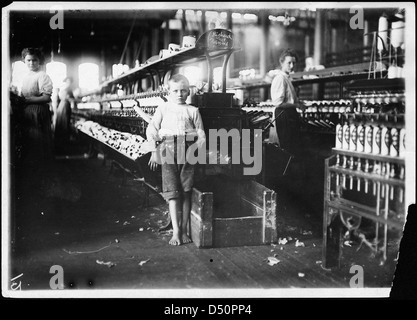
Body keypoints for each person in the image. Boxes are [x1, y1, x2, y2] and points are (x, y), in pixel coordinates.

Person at [146, 74, 206, 246]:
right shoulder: (163, 108)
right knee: (173, 193)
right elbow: (152, 130)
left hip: (188, 151)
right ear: (168, 91)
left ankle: (185, 229)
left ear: (188, 92)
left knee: (186, 191)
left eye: (183, 91)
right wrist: (154, 151)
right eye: (175, 91)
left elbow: (201, 135)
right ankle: (176, 232)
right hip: (168, 150)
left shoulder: (193, 111)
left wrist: (199, 151)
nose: (179, 94)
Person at [19, 47, 54, 167]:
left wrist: (28, 101)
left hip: (38, 111)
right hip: (27, 111)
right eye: (28, 60)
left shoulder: (42, 75)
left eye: (34, 60)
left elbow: (46, 98)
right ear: (24, 60)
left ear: (39, 61)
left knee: (39, 141)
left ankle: (40, 168)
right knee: (30, 140)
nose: (31, 63)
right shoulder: (25, 76)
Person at [269, 48, 305, 153]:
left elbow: (287, 99)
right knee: (286, 149)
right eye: (289, 63)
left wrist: (298, 103)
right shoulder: (280, 78)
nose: (292, 66)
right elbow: (278, 103)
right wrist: (296, 105)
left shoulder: (286, 78)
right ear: (282, 62)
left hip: (288, 115)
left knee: (291, 148)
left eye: (294, 63)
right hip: (283, 116)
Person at [54, 76, 75, 153]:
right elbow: (72, 99)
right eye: (68, 81)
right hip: (65, 105)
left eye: (70, 81)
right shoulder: (68, 88)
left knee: (61, 122)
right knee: (65, 122)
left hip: (61, 105)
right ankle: (65, 143)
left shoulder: (62, 88)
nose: (69, 83)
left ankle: (60, 143)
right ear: (66, 81)